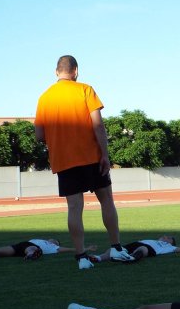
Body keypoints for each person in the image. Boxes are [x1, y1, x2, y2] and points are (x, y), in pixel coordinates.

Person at [34, 55, 134, 270]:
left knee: (74, 208)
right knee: (106, 199)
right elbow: (98, 125)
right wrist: (105, 155)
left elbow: (39, 135)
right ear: (76, 71)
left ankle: (81, 257)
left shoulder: (44, 98)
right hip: (91, 155)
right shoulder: (85, 89)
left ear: (55, 72)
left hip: (64, 160)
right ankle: (116, 247)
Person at [89, 235, 180, 262]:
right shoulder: (154, 239)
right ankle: (98, 258)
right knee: (116, 248)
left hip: (146, 248)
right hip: (135, 243)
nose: (166, 237)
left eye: (169, 238)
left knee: (143, 249)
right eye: (165, 236)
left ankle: (131, 258)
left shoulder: (169, 247)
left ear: (171, 242)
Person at [0, 238, 96, 261]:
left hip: (33, 247)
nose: (52, 240)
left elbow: (70, 249)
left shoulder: (55, 248)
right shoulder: (42, 239)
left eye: (55, 241)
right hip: (22, 245)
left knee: (31, 248)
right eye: (52, 239)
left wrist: (85, 248)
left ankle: (31, 255)